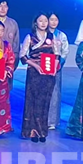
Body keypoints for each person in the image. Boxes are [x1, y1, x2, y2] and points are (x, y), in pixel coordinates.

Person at [20, 13, 57, 142]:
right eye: (40, 21)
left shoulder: (52, 37)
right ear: (35, 23)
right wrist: (35, 65)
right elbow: (23, 56)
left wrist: (54, 68)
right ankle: (32, 132)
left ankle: (42, 132)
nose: (43, 23)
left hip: (48, 74)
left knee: (45, 102)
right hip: (34, 73)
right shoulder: (30, 37)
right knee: (33, 101)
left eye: (45, 21)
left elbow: (56, 55)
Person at [47, 12, 70, 130]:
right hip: (44, 66)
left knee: (55, 93)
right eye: (51, 19)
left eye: (56, 20)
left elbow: (65, 51)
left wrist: (59, 63)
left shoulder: (62, 35)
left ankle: (53, 121)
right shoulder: (42, 34)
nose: (54, 22)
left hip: (56, 67)